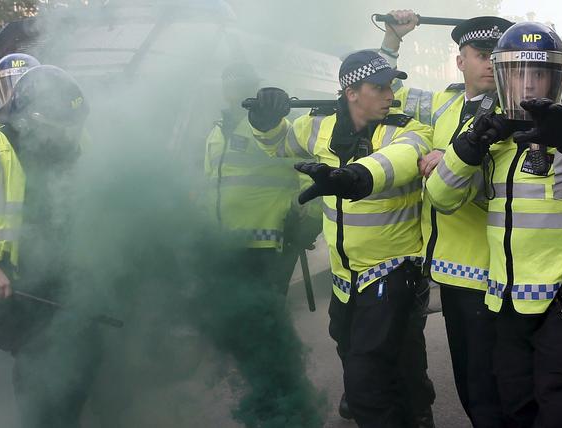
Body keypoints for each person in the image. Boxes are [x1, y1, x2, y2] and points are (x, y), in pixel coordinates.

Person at [426, 22, 562, 426]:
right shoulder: (490, 136)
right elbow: (441, 196)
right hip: (507, 299)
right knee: (515, 403)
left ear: (556, 80)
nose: (530, 85)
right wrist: (469, 145)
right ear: (503, 77)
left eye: (540, 74)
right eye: (520, 73)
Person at [247, 49, 436, 427]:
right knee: (379, 358)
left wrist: (356, 177)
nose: (390, 95)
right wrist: (264, 120)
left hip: (392, 273)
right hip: (344, 279)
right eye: (379, 87)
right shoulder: (317, 126)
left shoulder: (409, 130)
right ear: (351, 91)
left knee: (367, 382)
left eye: (391, 87)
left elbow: (399, 158)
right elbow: (279, 143)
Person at [377, 12, 512, 426]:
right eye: (481, 54)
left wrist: (451, 160)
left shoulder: (517, 112)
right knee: (470, 383)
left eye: (498, 55)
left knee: (493, 389)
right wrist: (392, 39)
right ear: (461, 61)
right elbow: (385, 90)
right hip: (454, 274)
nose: (490, 63)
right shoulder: (441, 104)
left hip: (494, 273)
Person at [0, 65, 98, 427]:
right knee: (38, 375)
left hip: (70, 280)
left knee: (83, 365)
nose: (71, 136)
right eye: (61, 128)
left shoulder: (74, 138)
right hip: (21, 291)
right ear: (31, 121)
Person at [204, 62, 310, 297]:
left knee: (264, 312)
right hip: (224, 240)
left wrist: (306, 215)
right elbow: (210, 181)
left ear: (254, 88)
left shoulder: (271, 125)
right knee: (230, 310)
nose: (235, 92)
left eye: (242, 86)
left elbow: (306, 170)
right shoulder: (217, 130)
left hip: (266, 242)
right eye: (230, 86)